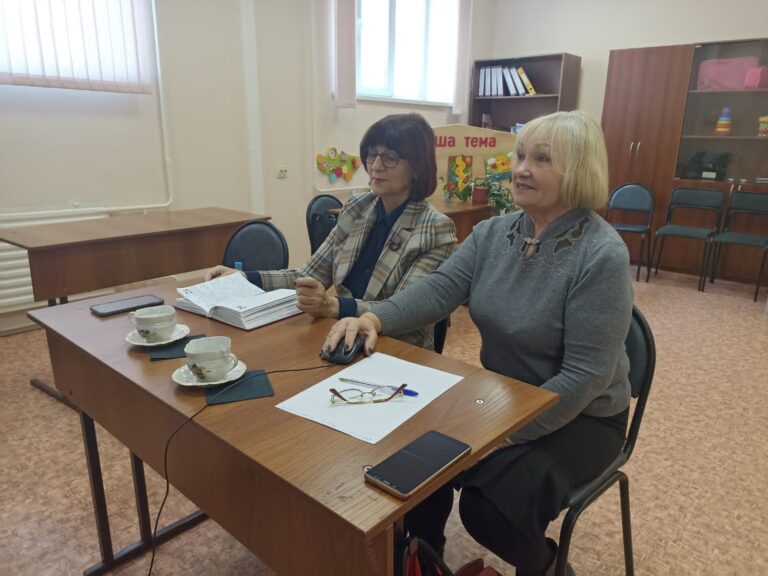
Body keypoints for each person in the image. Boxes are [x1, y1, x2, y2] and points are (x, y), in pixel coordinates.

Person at [321, 110, 633, 576]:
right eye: (520, 156)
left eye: (542, 159)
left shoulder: (601, 254)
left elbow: (585, 377)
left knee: (490, 509)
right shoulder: (493, 232)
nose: (521, 169)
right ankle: (422, 556)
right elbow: (440, 290)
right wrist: (374, 317)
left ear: (579, 171)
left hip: (583, 417)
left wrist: (500, 436)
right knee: (410, 455)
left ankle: (550, 568)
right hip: (504, 396)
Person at [205, 113, 457, 349]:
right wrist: (243, 278)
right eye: (372, 154)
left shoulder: (435, 229)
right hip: (340, 335)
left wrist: (333, 306)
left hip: (396, 347)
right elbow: (308, 275)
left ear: (417, 166)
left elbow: (402, 310)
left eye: (390, 157)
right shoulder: (358, 207)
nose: (376, 166)